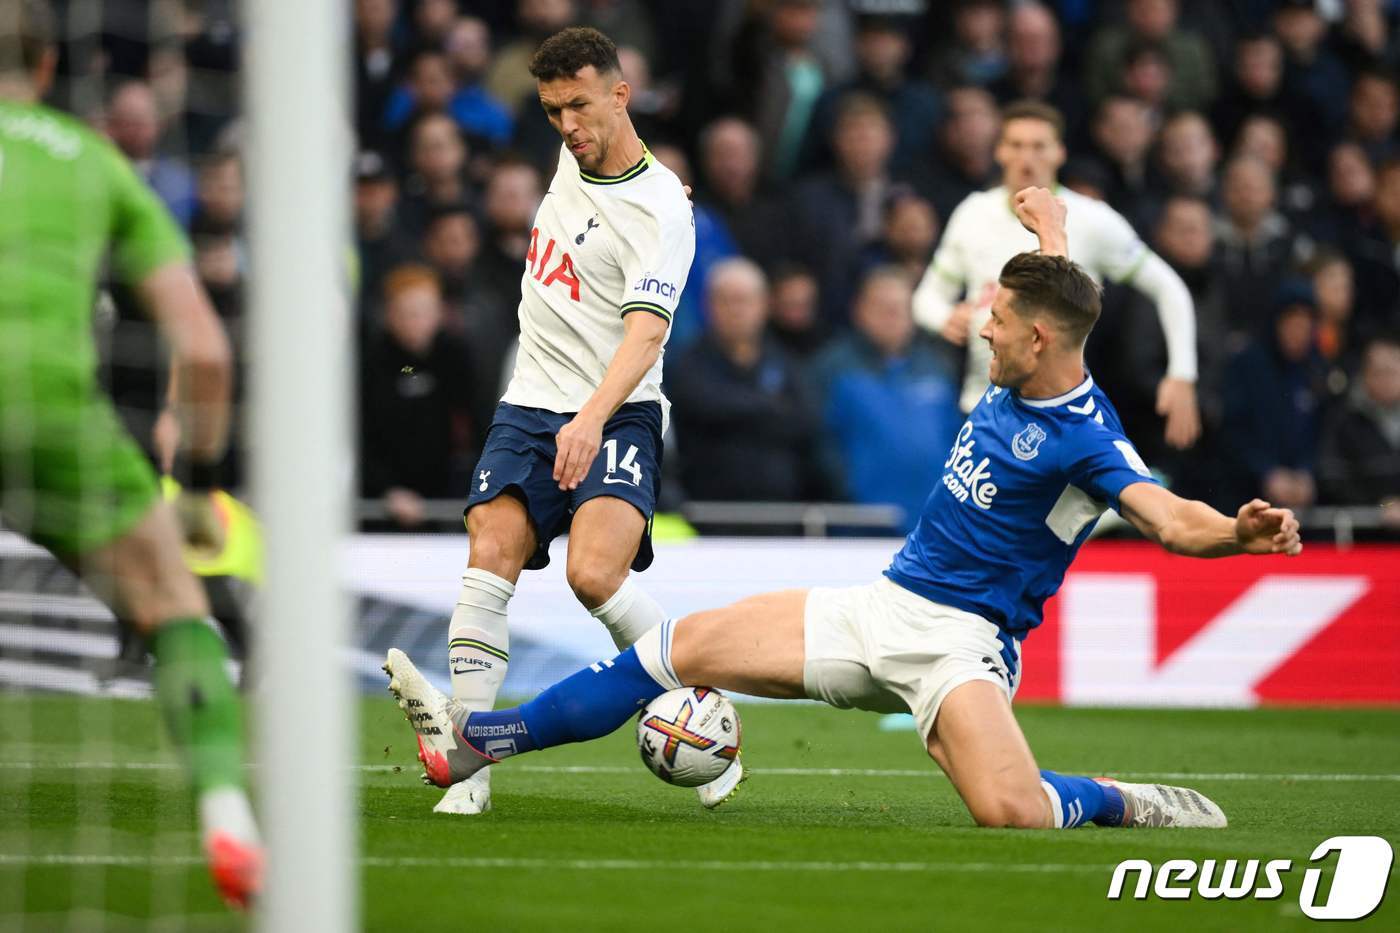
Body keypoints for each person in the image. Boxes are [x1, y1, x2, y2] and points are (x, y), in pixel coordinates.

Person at [385, 186, 1302, 832]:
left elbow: (1167, 517)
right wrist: (1051, 224)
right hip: (882, 604)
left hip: (962, 643)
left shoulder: (1087, 439)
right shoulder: (1039, 333)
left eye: (997, 319)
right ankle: (476, 746)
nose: (979, 326)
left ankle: (1113, 797)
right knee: (675, 649)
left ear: (1036, 339)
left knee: (1011, 811)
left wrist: (1234, 532)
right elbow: (1057, 289)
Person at [0, 1, 258, 906]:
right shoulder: (94, 158)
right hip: (54, 413)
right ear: (43, 70)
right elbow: (205, 350)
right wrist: (198, 486)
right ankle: (227, 811)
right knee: (171, 602)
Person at [423, 26, 698, 817]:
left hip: (617, 408)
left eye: (579, 105)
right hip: (529, 401)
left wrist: (591, 419)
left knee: (593, 575)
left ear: (622, 93)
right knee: (490, 550)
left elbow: (647, 335)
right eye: (552, 111)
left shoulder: (660, 211)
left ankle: (697, 704)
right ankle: (469, 769)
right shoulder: (570, 157)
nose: (568, 124)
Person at [913, 101, 1202, 453]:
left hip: (1059, 414)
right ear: (1000, 151)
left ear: (1059, 152)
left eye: (1038, 146)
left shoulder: (1093, 220)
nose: (1027, 157)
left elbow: (1168, 287)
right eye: (1016, 145)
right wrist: (944, 317)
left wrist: (1182, 373)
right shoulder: (973, 213)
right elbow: (926, 298)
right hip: (980, 410)